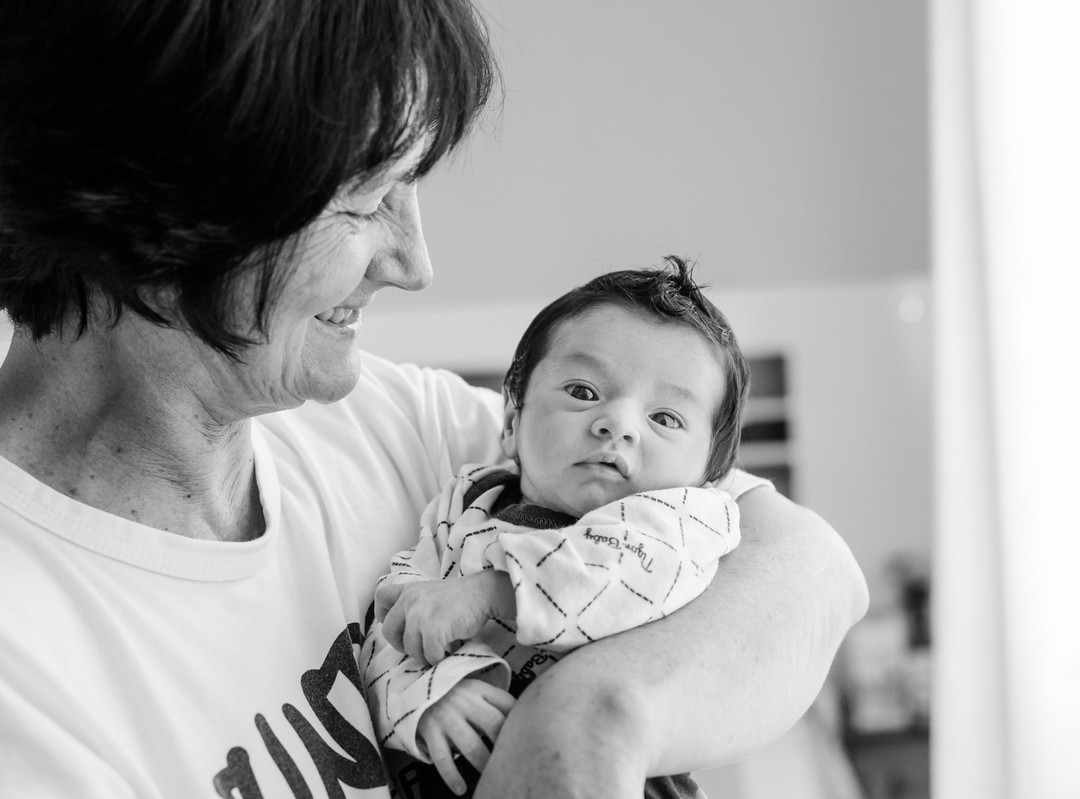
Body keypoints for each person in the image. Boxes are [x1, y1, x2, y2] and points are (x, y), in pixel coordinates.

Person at [0, 2, 869, 798]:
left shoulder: (393, 429)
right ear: (163, 202)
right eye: (369, 197)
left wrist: (585, 712)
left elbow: (811, 567)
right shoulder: (26, 672)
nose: (415, 263)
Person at [362, 259, 757, 798]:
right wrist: (431, 695)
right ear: (510, 422)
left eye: (664, 419)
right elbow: (395, 613)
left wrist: (494, 592)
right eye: (583, 391)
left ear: (709, 475)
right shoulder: (467, 504)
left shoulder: (687, 522)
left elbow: (621, 576)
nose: (617, 423)